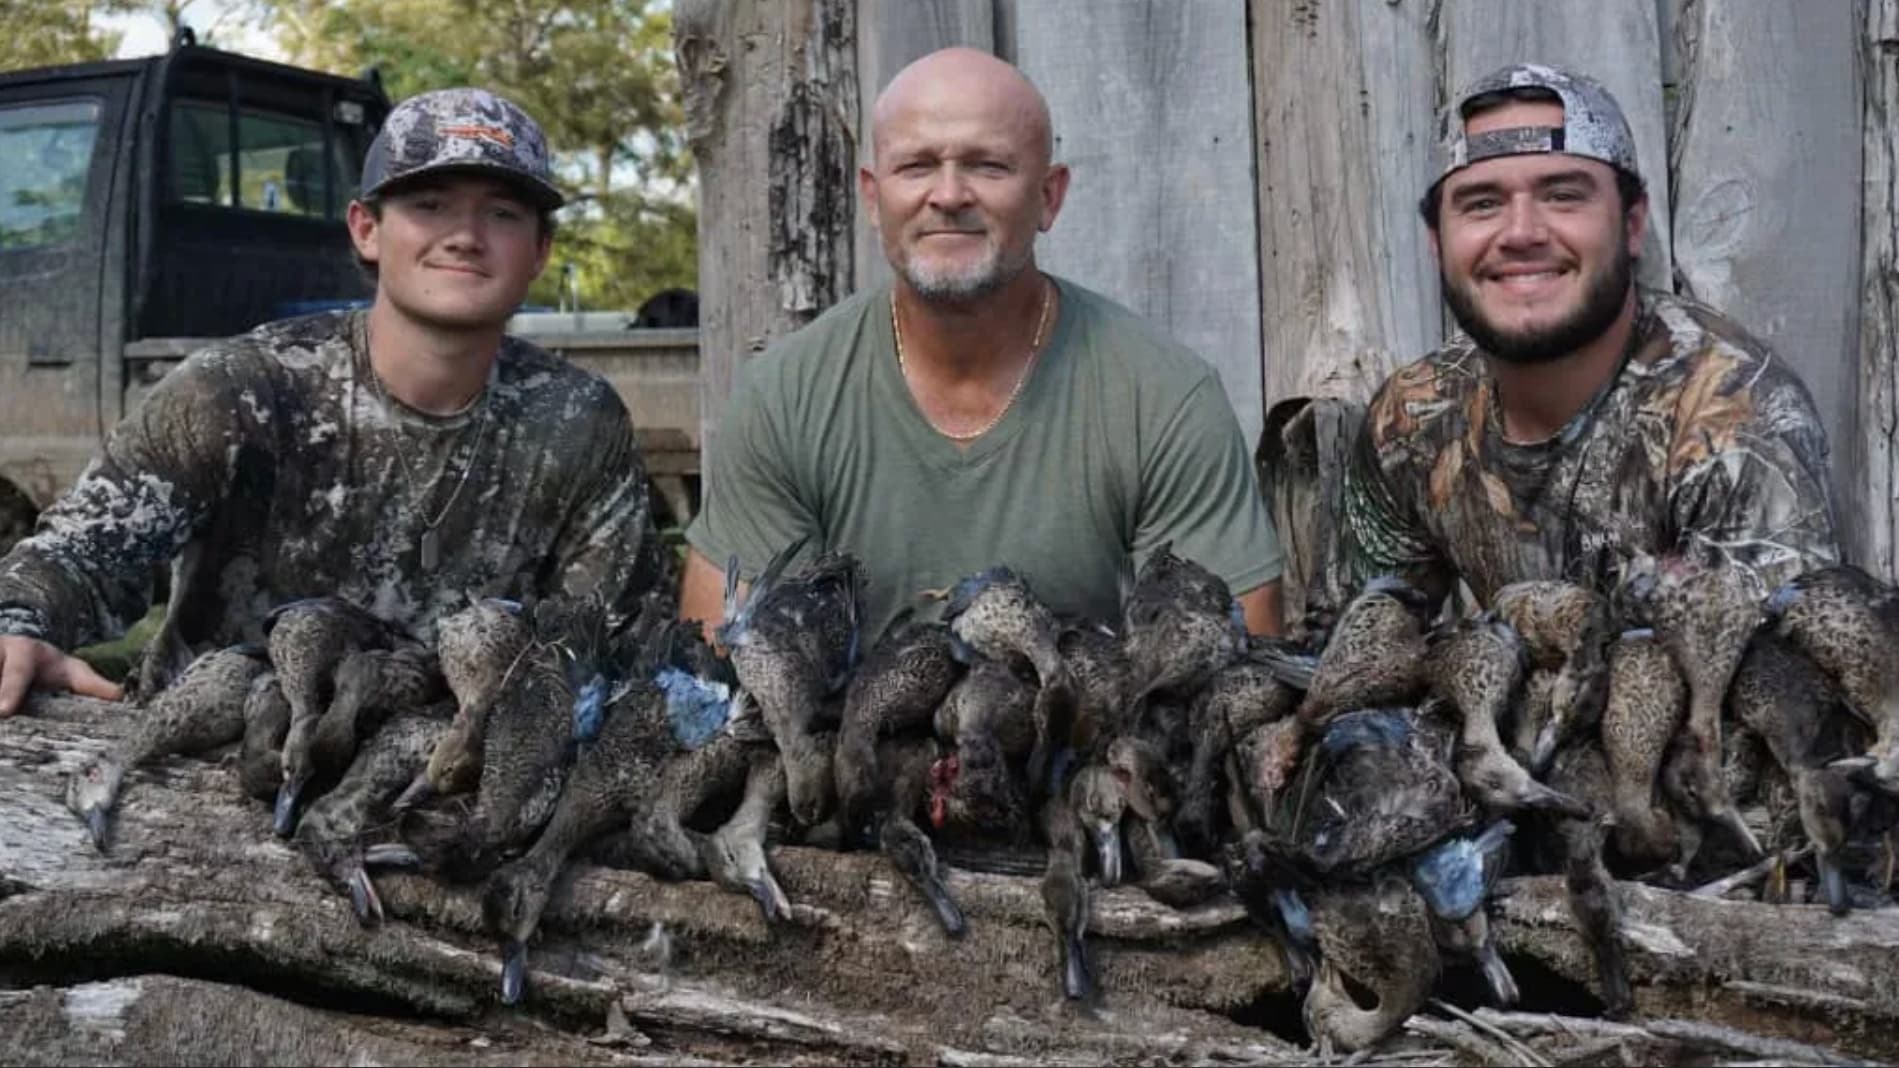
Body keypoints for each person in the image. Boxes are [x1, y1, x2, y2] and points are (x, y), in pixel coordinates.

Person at [0, 87, 666, 716]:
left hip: (443, 789)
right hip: (204, 760)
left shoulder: (577, 421)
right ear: (366, 229)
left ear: (540, 249)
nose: (465, 235)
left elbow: (612, 641)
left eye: (502, 212)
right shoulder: (244, 388)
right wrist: (17, 623)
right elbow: (77, 552)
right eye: (429, 204)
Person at [679, 47, 1285, 642]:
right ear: (872, 196)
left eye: (988, 166)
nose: (948, 194)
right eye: (916, 166)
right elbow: (726, 670)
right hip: (840, 740)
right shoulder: (785, 399)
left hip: (1098, 735)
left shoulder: (1163, 400)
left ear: (1048, 196)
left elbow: (1227, 679)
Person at [1339, 63, 1838, 608]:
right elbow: (1362, 652)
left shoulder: (1732, 417)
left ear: (1630, 225)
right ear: (1437, 242)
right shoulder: (1411, 419)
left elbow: (1773, 686)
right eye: (1482, 203)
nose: (1521, 233)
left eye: (1563, 195)